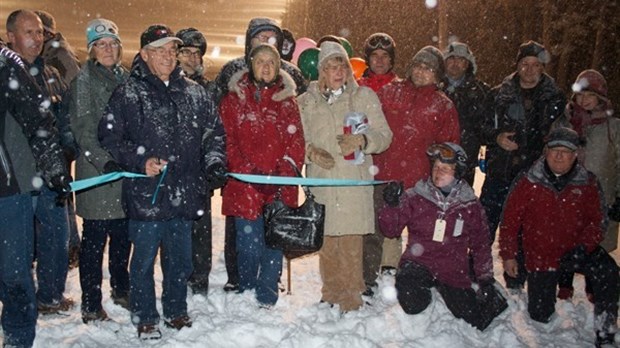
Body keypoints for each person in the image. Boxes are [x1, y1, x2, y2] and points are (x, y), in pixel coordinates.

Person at [98, 24, 226, 339]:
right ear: (143, 54)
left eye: (172, 50)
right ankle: (144, 316)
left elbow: (214, 133)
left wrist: (213, 161)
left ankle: (176, 310)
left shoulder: (195, 92)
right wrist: (140, 162)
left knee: (180, 261)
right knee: (142, 262)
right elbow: (109, 136)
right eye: (160, 50)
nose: (169, 57)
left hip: (184, 193)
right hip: (147, 194)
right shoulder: (129, 92)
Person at [499, 127, 619, 347]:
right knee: (540, 315)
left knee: (608, 271)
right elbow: (509, 221)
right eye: (555, 150)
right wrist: (508, 255)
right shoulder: (527, 181)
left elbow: (598, 220)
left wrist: (584, 247)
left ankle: (606, 329)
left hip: (577, 250)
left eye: (566, 151)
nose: (559, 156)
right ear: (546, 151)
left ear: (575, 155)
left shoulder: (588, 182)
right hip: (541, 255)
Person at [298, 41, 392, 312]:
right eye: (330, 66)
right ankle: (330, 295)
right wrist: (311, 152)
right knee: (327, 244)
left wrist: (362, 140)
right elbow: (294, 141)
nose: (337, 71)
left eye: (341, 65)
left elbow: (385, 136)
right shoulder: (306, 102)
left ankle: (351, 298)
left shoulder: (364, 97)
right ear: (321, 72)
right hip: (323, 182)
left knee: (351, 244)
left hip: (353, 185)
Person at [214, 17, 307, 292]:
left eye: (271, 62)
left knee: (273, 244)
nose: (265, 67)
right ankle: (245, 288)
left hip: (279, 185)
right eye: (259, 61)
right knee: (248, 245)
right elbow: (227, 140)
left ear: (278, 66)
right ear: (251, 65)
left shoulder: (288, 102)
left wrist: (284, 171)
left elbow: (296, 141)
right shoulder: (233, 100)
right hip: (245, 185)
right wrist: (248, 171)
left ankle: (267, 293)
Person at [379, 143, 507, 331]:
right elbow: (390, 230)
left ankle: (492, 298)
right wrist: (391, 205)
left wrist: (485, 278)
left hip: (452, 268)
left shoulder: (469, 204)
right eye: (436, 167)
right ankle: (429, 290)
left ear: (458, 172)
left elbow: (480, 244)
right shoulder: (415, 196)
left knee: (474, 321)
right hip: (418, 262)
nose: (438, 172)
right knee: (412, 303)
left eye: (446, 169)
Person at [368, 45, 460, 295]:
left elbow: (450, 147)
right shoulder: (389, 92)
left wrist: (441, 180)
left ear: (438, 75)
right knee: (376, 229)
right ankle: (368, 279)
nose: (421, 72)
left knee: (421, 236)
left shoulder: (443, 106)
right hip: (383, 175)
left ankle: (417, 279)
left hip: (420, 184)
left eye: (428, 68)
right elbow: (369, 124)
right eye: (418, 66)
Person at [0, 38, 71, 348]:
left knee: (13, 273)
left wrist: (54, 166)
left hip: (7, 189)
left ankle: (17, 339)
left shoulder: (6, 65)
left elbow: (37, 120)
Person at [6, 9, 77, 314]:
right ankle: (18, 305)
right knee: (17, 248)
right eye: (28, 33)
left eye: (39, 33)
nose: (36, 39)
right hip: (16, 177)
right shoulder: (6, 73)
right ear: (11, 37)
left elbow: (63, 121)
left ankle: (50, 296)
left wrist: (68, 146)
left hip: (51, 173)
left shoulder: (51, 74)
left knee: (56, 236)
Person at [480, 40, 565, 292]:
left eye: (535, 65)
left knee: (524, 228)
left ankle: (516, 277)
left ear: (542, 67)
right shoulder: (498, 94)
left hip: (534, 175)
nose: (529, 70)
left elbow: (562, 135)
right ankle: (479, 273)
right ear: (517, 66)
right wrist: (497, 137)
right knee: (485, 223)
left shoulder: (555, 98)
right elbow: (482, 126)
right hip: (499, 170)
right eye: (524, 64)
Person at [68, 18, 131, 323]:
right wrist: (105, 161)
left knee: (122, 238)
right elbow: (83, 129)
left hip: (124, 175)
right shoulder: (83, 82)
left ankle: (121, 288)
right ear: (92, 51)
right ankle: (91, 303)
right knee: (94, 245)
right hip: (98, 176)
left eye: (112, 44)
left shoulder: (127, 78)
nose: (108, 49)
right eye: (101, 45)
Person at [552, 70, 620, 300]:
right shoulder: (565, 123)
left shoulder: (613, 127)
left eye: (590, 95)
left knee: (595, 240)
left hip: (602, 193)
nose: (585, 100)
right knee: (565, 235)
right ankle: (565, 282)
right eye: (581, 95)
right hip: (567, 191)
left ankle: (593, 285)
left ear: (600, 97)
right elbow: (549, 153)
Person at [35, 10, 82, 269]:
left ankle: (71, 245)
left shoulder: (60, 56)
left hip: (60, 138)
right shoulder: (49, 56)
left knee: (62, 194)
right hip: (54, 138)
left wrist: (67, 134)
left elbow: (73, 93)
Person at [356, 32, 402, 296]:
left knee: (387, 222)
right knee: (367, 224)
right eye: (375, 56)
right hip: (363, 165)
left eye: (385, 56)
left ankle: (383, 270)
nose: (380, 60)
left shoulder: (400, 88)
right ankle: (366, 276)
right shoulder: (359, 87)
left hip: (391, 164)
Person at [175, 27, 218, 295]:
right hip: (172, 171)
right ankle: (177, 276)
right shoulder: (165, 85)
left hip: (200, 171)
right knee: (176, 231)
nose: (192, 59)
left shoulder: (208, 89)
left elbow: (215, 129)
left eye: (196, 54)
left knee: (201, 230)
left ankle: (200, 278)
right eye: (186, 53)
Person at [442, 42, 493, 186]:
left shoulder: (481, 92)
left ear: (468, 64)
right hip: (436, 160)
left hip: (466, 161)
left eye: (461, 59)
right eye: (451, 59)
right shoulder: (434, 87)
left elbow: (487, 129)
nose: (455, 63)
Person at [34, 10, 81, 85]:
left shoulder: (62, 55)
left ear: (47, 34)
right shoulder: (43, 51)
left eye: (38, 32)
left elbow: (76, 88)